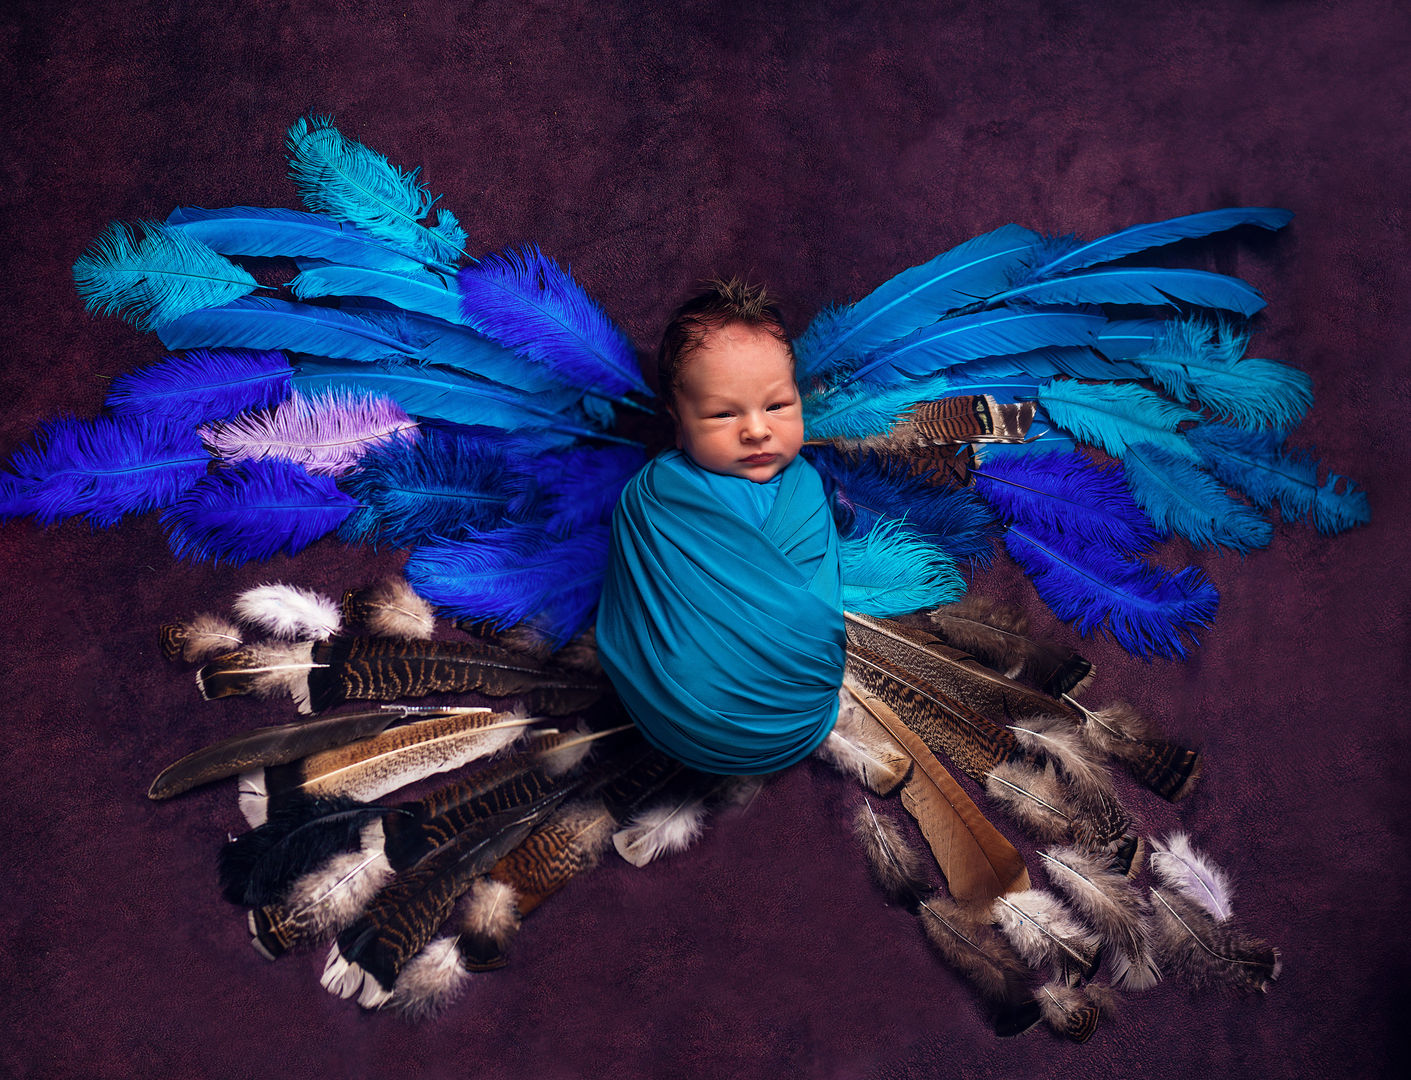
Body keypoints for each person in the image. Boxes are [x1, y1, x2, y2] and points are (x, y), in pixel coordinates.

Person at [595, 280, 848, 774]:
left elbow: (821, 603)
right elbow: (631, 612)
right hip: (684, 716)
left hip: (795, 709)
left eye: (777, 406)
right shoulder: (653, 500)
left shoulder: (806, 489)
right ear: (678, 418)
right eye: (723, 414)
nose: (756, 429)